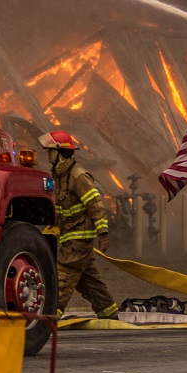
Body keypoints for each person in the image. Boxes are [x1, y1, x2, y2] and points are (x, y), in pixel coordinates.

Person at [41, 130, 117, 320]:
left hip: (79, 239)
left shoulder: (78, 176)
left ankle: (49, 317)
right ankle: (109, 313)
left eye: (50, 151)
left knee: (63, 277)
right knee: (89, 282)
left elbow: (95, 205)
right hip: (70, 238)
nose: (47, 155)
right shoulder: (60, 176)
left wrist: (103, 233)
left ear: (60, 153)